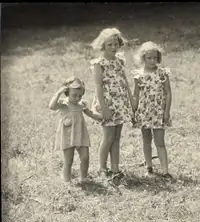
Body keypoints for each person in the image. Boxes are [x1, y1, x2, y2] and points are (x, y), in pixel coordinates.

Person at [89, 27, 134, 180]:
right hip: (107, 104)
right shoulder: (98, 63)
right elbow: (98, 87)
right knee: (108, 137)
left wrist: (131, 99)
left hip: (120, 103)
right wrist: (104, 108)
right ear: (102, 46)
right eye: (109, 45)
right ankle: (102, 168)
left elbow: (125, 81)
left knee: (116, 137)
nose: (113, 47)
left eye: (116, 44)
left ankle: (115, 168)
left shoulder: (120, 60)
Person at [131, 41, 173, 178]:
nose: (152, 61)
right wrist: (133, 111)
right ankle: (149, 167)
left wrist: (166, 111)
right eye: (149, 58)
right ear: (143, 58)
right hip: (144, 112)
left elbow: (168, 93)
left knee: (160, 141)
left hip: (158, 111)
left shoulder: (162, 73)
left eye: (155, 58)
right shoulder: (138, 75)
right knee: (146, 140)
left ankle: (165, 171)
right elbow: (136, 95)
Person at [49, 77, 103, 183]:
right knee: (68, 160)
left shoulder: (81, 105)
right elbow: (52, 106)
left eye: (80, 95)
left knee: (85, 157)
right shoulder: (64, 104)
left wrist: (102, 116)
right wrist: (58, 93)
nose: (77, 98)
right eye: (74, 95)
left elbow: (91, 114)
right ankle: (66, 180)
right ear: (67, 93)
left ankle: (83, 178)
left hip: (81, 134)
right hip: (67, 136)